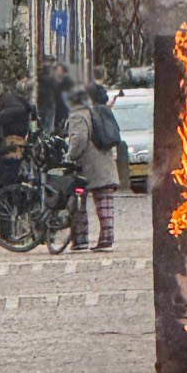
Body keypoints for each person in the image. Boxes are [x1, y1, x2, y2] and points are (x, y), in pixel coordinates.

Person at [61, 82, 119, 251]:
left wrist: (69, 157)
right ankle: (107, 237)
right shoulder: (100, 110)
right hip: (105, 162)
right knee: (104, 201)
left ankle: (80, 239)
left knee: (78, 199)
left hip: (86, 166)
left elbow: (78, 139)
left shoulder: (78, 115)